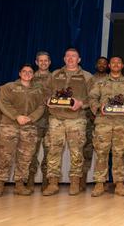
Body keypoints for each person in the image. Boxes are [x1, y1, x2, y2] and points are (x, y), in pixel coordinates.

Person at [43, 48, 92, 196]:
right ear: (64, 59)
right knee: (53, 150)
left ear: (79, 59)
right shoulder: (55, 74)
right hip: (56, 118)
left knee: (76, 152)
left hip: (76, 119)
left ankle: (75, 182)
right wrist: (47, 101)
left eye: (74, 56)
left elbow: (94, 97)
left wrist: (81, 103)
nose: (71, 59)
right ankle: (53, 183)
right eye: (68, 56)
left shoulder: (87, 77)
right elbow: (45, 91)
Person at [0, 64, 45, 197]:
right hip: (9, 126)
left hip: (29, 127)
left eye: (30, 72)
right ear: (20, 73)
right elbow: (3, 103)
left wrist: (31, 118)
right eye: (24, 71)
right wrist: (16, 116)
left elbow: (41, 106)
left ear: (33, 74)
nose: (27, 74)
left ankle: (20, 185)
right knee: (4, 156)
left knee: (25, 158)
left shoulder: (38, 90)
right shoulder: (8, 87)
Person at [89, 56, 124, 197]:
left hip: (121, 124)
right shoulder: (100, 83)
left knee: (119, 154)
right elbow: (92, 98)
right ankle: (99, 183)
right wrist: (99, 107)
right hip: (103, 123)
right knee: (101, 153)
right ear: (109, 65)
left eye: (119, 62)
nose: (116, 64)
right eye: (113, 62)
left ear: (122, 66)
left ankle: (119, 183)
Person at [81, 56, 109, 190]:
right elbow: (86, 98)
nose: (102, 65)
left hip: (106, 121)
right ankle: (81, 181)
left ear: (107, 65)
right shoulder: (90, 80)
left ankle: (102, 182)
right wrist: (92, 113)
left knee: (103, 152)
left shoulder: (111, 80)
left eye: (104, 63)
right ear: (96, 65)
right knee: (86, 150)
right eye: (100, 63)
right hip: (89, 119)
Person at [28, 51, 52, 191]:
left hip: (51, 119)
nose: (43, 63)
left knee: (50, 153)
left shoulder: (55, 77)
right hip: (35, 121)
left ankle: (46, 182)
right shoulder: (29, 77)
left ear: (49, 62)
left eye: (46, 61)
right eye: (40, 61)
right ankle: (30, 180)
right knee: (32, 152)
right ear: (36, 62)